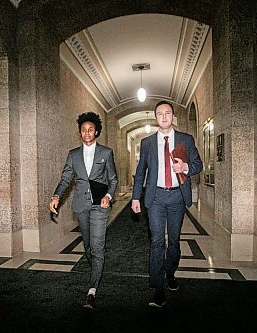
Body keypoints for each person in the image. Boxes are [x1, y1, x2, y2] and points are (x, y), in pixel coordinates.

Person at [131, 100, 203, 307]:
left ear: (173, 116)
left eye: (168, 113)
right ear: (156, 117)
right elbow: (140, 173)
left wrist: (186, 167)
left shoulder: (185, 140)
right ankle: (158, 287)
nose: (164, 116)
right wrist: (136, 197)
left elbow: (199, 164)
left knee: (173, 240)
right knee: (156, 241)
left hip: (177, 197)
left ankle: (170, 272)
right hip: (155, 197)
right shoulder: (147, 143)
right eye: (160, 113)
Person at [49, 112, 118, 310]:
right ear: (80, 133)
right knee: (88, 247)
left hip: (100, 205)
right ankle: (95, 267)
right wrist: (56, 196)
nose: (87, 133)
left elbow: (113, 179)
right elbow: (65, 179)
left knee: (97, 247)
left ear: (96, 131)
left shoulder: (106, 153)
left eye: (90, 129)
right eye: (83, 130)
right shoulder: (73, 155)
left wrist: (109, 196)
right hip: (80, 206)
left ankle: (92, 290)